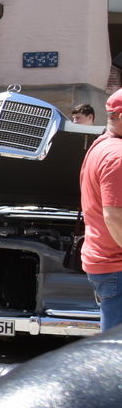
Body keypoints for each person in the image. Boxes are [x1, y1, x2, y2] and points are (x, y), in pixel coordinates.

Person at [79, 88, 122, 331]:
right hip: (117, 265)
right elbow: (114, 216)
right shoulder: (118, 155)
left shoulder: (101, 145)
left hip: (106, 262)